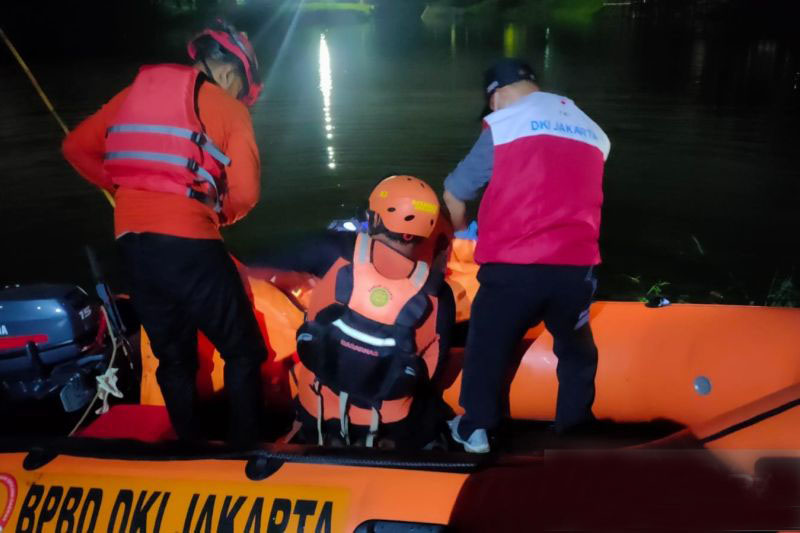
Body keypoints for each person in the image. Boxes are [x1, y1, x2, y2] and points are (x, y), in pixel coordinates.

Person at [62, 20, 268, 447]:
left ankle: (189, 448)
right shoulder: (230, 109)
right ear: (232, 72)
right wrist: (219, 216)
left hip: (132, 244)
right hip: (190, 243)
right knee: (243, 351)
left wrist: (120, 184)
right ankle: (245, 451)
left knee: (174, 358)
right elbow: (246, 193)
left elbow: (75, 148)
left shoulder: (129, 96)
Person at [442, 58, 610, 453]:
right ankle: (574, 428)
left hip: (515, 267)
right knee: (577, 351)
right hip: (577, 268)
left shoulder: (505, 124)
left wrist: (461, 231)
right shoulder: (591, 129)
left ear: (496, 96)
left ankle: (476, 428)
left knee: (485, 343)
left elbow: (455, 193)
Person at [250, 176, 455, 449]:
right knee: (433, 408)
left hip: (316, 410)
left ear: (375, 219)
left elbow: (307, 322)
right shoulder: (439, 295)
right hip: (389, 425)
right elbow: (431, 371)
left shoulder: (335, 254)